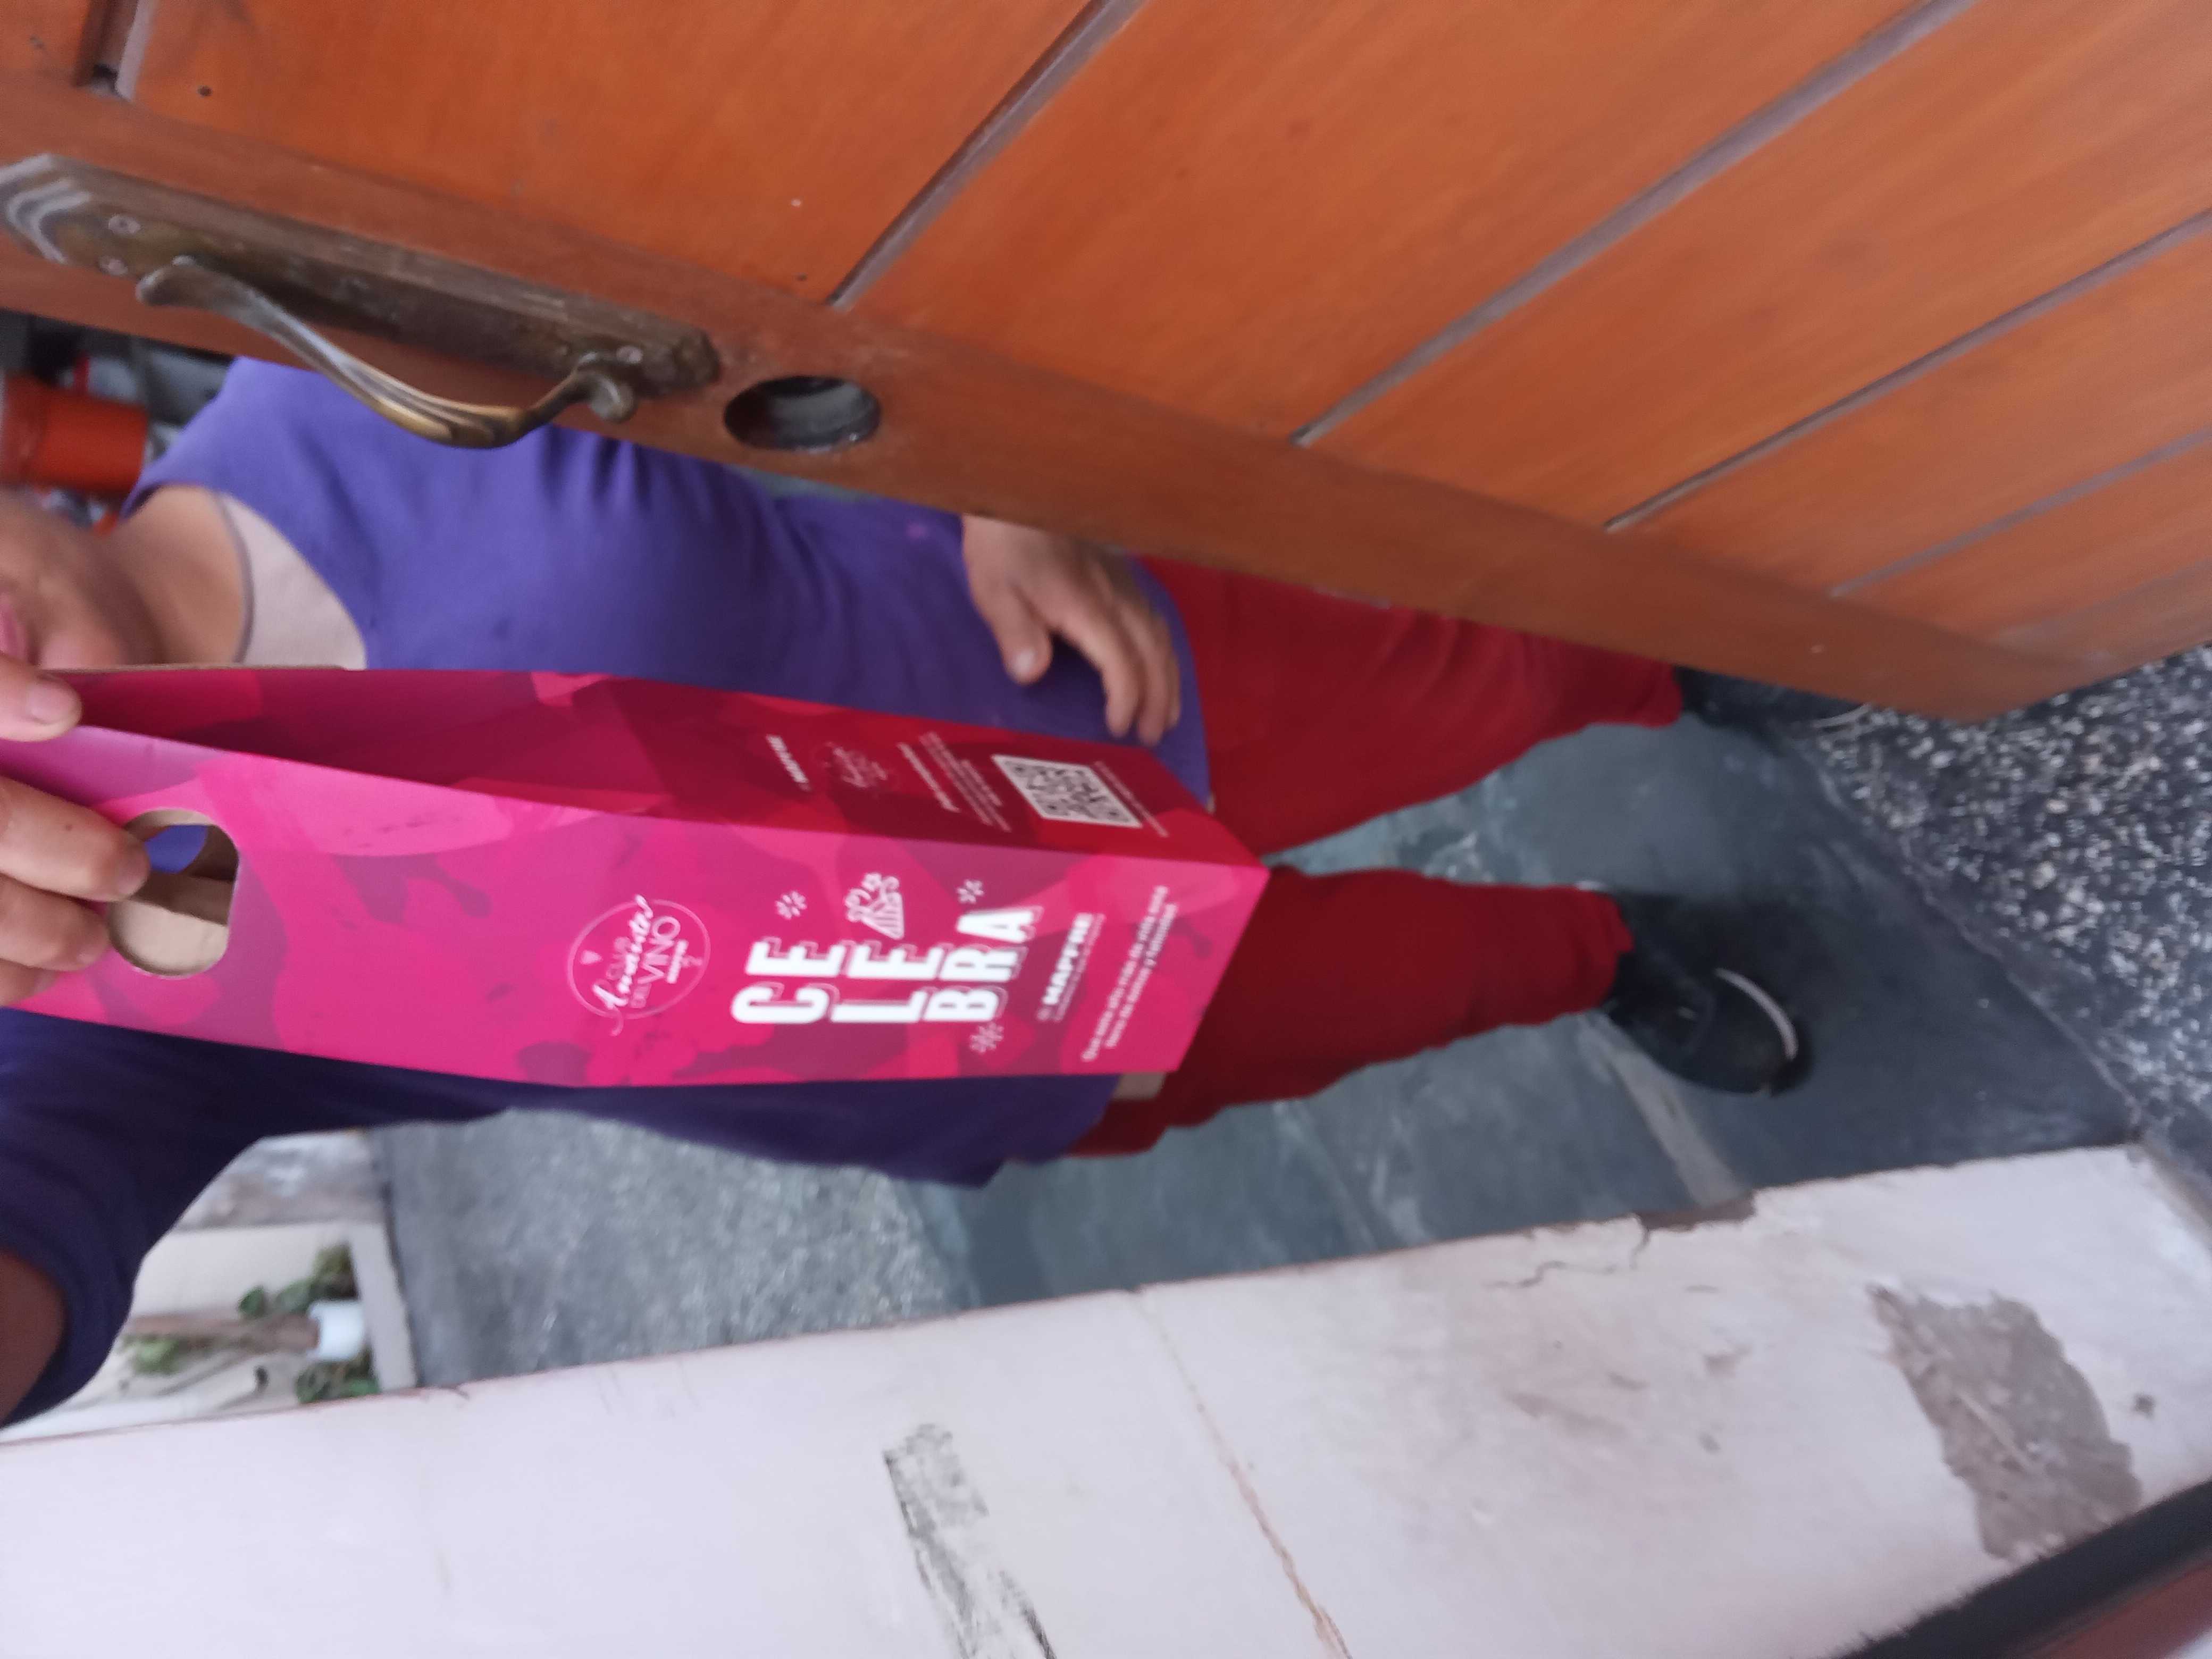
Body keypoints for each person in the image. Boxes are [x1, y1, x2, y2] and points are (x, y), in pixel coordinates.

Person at [0, 362, 1833, 1426]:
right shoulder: (86, 975)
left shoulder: (341, 373)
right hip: (962, 1018)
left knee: (1493, 673)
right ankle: (1598, 953)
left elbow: (780, 263)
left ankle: (1678, 663)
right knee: (1402, 991)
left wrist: (994, 461)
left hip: (1090, 690)